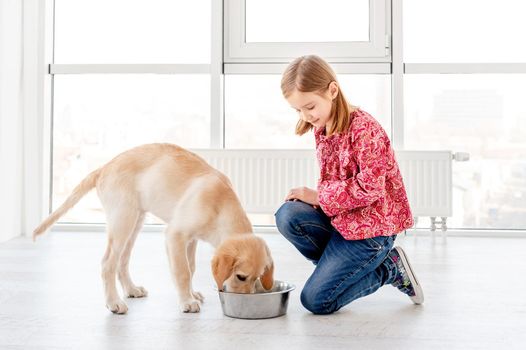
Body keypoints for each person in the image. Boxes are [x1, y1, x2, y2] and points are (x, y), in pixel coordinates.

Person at [275, 55, 424, 315]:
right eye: (298, 110)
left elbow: (370, 187)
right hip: (342, 223)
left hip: (371, 232)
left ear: (332, 90)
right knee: (288, 214)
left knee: (316, 301)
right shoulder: (323, 126)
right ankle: (339, 268)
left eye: (310, 106)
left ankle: (390, 268)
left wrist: (319, 196)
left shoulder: (364, 129)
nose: (305, 116)